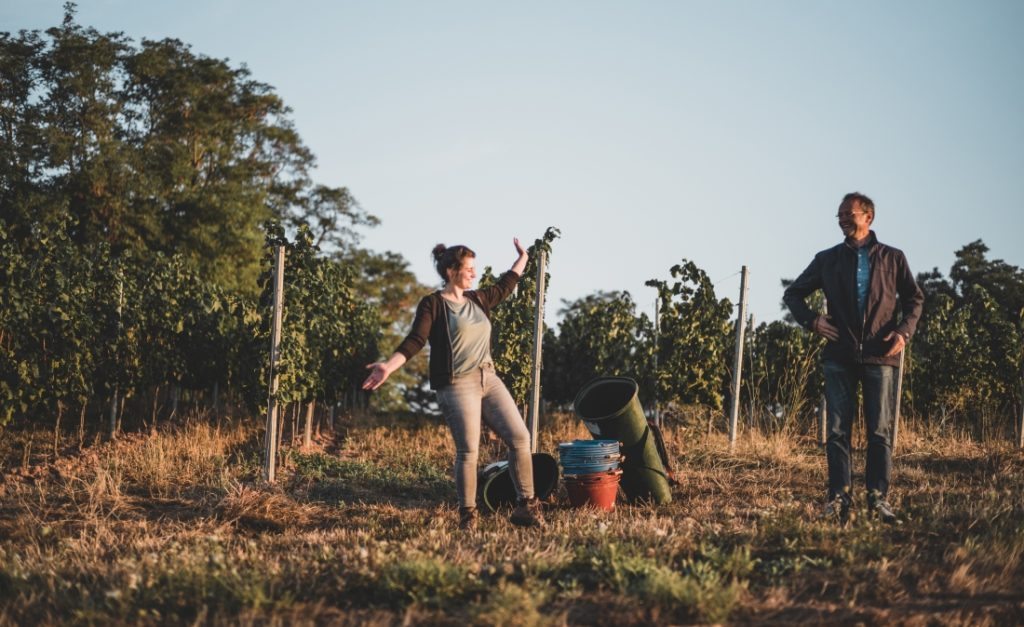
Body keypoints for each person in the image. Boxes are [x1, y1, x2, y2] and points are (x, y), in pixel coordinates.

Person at [362, 238, 543, 530]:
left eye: (473, 268)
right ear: (450, 271)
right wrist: (389, 367)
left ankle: (527, 507)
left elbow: (506, 285)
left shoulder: (478, 299)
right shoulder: (432, 304)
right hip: (457, 384)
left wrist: (523, 257)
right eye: (468, 268)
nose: (473, 273)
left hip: (488, 377)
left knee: (520, 438)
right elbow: (415, 341)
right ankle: (468, 516)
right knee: (469, 450)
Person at [783, 192, 924, 525]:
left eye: (849, 214)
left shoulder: (893, 258)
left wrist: (903, 333)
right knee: (836, 432)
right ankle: (838, 499)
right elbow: (794, 294)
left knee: (879, 432)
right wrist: (813, 320)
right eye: (840, 216)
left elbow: (914, 300)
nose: (843, 220)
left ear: (868, 216)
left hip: (880, 355)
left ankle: (878, 500)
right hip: (839, 355)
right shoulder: (827, 259)